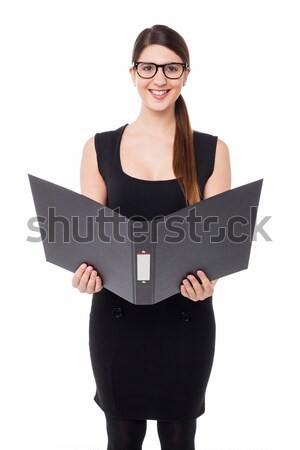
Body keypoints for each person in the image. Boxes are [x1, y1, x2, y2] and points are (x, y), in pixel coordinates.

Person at [72, 24, 231, 450]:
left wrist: (210, 282)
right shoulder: (98, 148)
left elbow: (220, 247)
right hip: (117, 322)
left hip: (186, 321)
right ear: (132, 73)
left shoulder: (212, 151)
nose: (159, 79)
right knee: (121, 440)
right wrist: (85, 274)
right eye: (149, 67)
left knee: (180, 440)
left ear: (186, 73)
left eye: (171, 68)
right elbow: (90, 242)